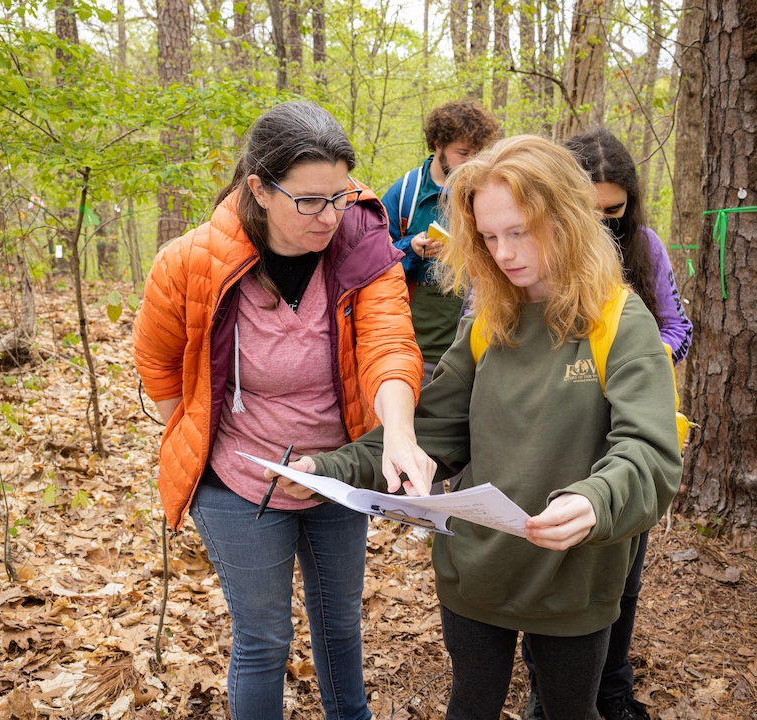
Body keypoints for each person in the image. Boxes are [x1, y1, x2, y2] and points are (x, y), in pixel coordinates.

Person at [273, 135, 683, 720]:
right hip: (476, 573)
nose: (505, 253)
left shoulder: (619, 321)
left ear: (567, 218)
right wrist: (327, 468)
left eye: (520, 231)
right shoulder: (493, 317)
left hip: (572, 575)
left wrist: (596, 500)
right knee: (471, 705)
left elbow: (648, 451)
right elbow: (437, 429)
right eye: (489, 237)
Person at [132, 100, 434, 720]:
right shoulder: (192, 263)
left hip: (336, 474)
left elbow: (388, 345)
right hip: (237, 484)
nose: (328, 216)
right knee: (265, 638)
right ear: (258, 190)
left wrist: (398, 437)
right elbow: (159, 365)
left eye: (339, 196)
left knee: (340, 626)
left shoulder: (362, 247)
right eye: (308, 201)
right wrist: (197, 435)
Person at [520, 127, 695, 720]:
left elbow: (678, 329)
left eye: (613, 212)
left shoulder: (644, 246)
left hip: (629, 430)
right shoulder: (531, 255)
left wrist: (632, 364)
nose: (601, 226)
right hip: (550, 431)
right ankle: (549, 689)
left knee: (622, 569)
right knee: (545, 561)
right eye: (585, 212)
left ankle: (610, 688)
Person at [381, 100, 499, 389]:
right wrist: (412, 246)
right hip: (414, 347)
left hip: (474, 346)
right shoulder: (405, 192)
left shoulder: (484, 192)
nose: (471, 162)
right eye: (462, 153)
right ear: (437, 144)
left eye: (477, 153)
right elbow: (372, 261)